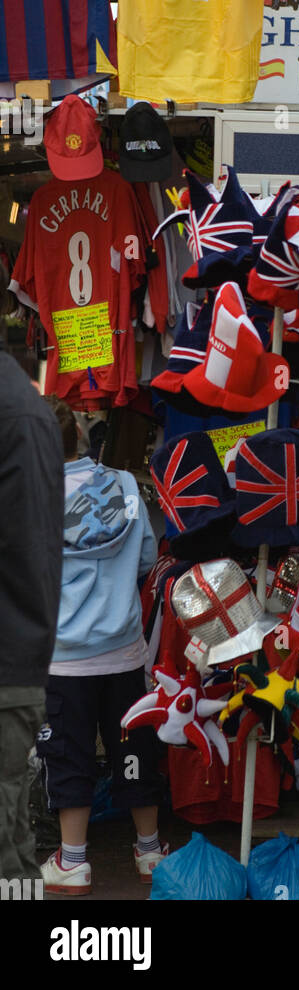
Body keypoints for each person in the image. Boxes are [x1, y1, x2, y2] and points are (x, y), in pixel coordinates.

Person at [38, 398, 166, 895]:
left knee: (68, 755)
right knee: (134, 748)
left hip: (62, 659)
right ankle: (150, 852)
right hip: (124, 649)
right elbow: (147, 558)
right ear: (79, 435)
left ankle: (73, 862)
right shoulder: (126, 485)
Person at [0, 324, 65, 885]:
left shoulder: (15, 409)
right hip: (19, 657)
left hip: (9, 661)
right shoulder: (25, 406)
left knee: (9, 853)